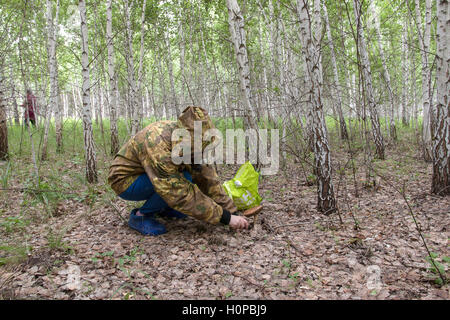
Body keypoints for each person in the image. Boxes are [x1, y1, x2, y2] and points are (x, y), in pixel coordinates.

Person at [108, 106, 249, 235]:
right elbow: (173, 189)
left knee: (189, 174)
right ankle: (140, 216)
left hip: (149, 174)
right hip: (125, 181)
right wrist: (225, 217)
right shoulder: (157, 140)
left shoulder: (190, 138)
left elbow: (206, 177)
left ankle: (165, 208)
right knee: (180, 181)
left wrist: (231, 210)